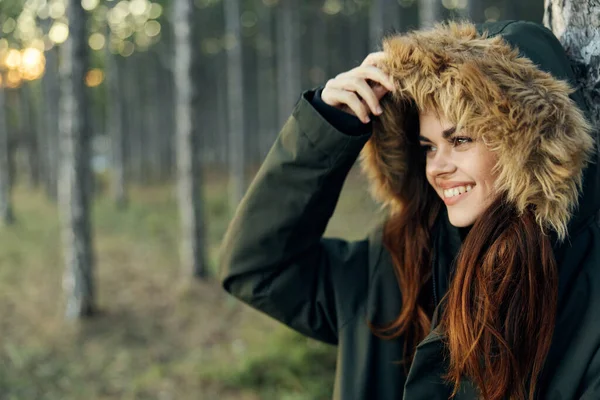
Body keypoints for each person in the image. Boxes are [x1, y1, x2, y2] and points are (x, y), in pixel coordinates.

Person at [218, 20, 600, 400]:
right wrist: (325, 126)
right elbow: (258, 269)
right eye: (427, 147)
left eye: (461, 139)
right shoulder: (397, 263)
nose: (437, 167)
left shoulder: (587, 295)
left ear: (532, 144)